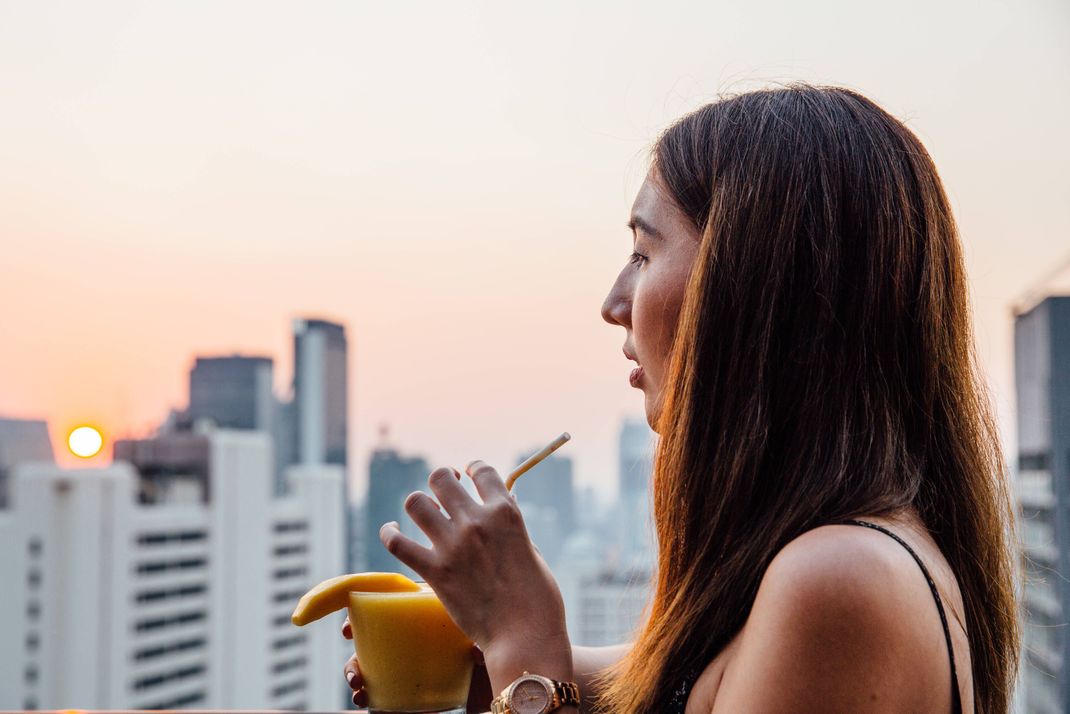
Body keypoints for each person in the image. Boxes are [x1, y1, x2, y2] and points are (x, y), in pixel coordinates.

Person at [343, 84, 1019, 713]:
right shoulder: (817, 569)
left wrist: (525, 653)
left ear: (752, 286)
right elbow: (665, 683)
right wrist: (483, 652)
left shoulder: (840, 581)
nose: (614, 304)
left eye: (643, 252)